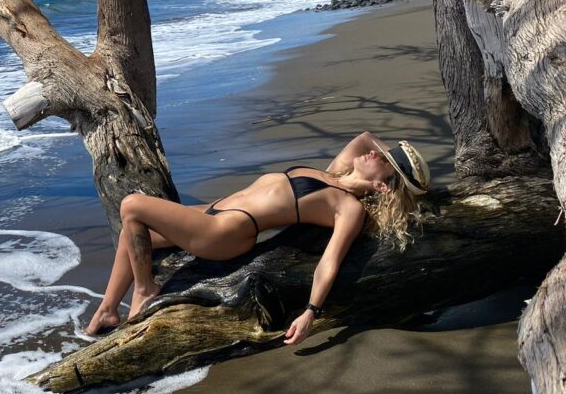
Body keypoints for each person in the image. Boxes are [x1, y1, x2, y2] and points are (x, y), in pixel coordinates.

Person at [84, 132, 430, 342]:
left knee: (132, 206)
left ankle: (144, 290)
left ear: (383, 185)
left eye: (384, 161)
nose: (375, 152)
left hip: (224, 233)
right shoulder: (334, 174)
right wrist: (394, 167)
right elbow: (366, 136)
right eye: (384, 153)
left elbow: (330, 261)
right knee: (134, 237)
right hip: (212, 211)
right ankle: (108, 309)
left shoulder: (347, 207)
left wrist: (311, 312)